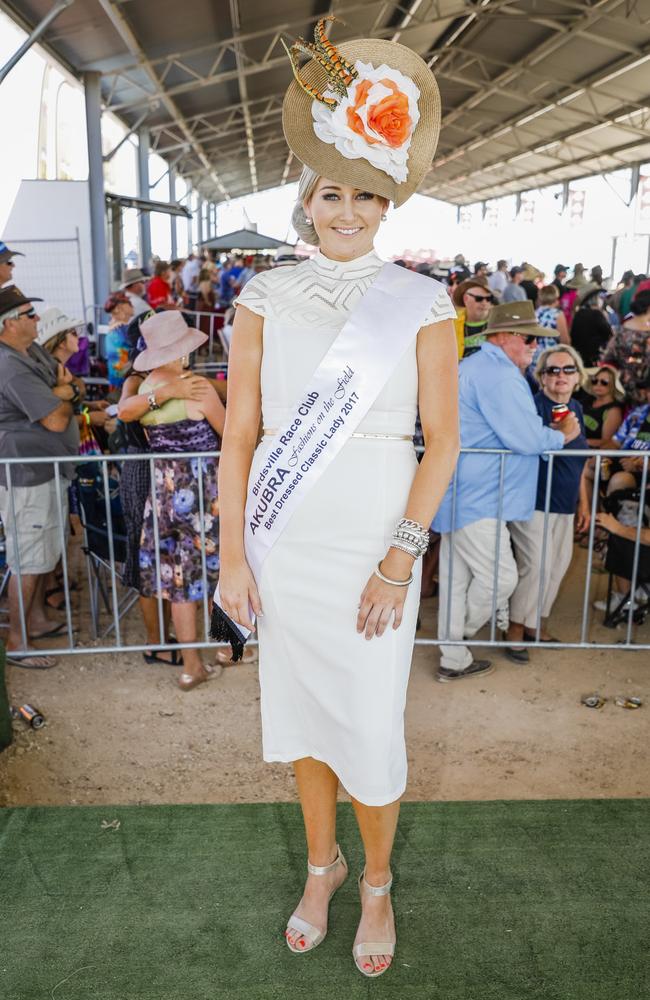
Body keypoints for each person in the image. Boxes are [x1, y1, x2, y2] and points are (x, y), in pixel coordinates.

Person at [217, 23, 459, 979]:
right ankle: (321, 868)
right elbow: (241, 437)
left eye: (365, 193)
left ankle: (377, 881)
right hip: (286, 545)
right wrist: (234, 555)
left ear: (386, 201)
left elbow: (440, 443)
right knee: (306, 721)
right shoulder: (261, 295)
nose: (347, 209)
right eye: (331, 193)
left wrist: (401, 559)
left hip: (371, 548)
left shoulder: (425, 302)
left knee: (367, 722)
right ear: (305, 201)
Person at [433, 301, 578, 681]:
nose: (534, 346)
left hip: (463, 488)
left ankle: (453, 656)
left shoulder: (477, 367)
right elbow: (525, 437)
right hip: (481, 493)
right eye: (530, 338)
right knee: (501, 577)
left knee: (456, 579)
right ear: (507, 337)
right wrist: (561, 436)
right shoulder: (498, 375)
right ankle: (462, 633)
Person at [119, 312, 226, 690]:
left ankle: (190, 666)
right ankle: (228, 649)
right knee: (219, 572)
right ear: (182, 349)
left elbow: (124, 412)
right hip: (205, 492)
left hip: (164, 493)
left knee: (179, 580)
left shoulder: (147, 387)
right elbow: (228, 433)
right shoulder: (196, 387)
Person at [0, 286, 79, 669]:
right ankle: (18, 642)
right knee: (27, 557)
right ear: (8, 324)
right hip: (25, 474)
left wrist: (64, 390)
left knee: (44, 549)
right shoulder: (9, 364)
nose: (36, 318)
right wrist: (63, 392)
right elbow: (55, 416)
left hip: (44, 467)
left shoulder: (29, 353)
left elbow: (71, 385)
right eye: (29, 313)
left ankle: (33, 619)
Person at [506, 345, 590, 658]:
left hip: (566, 504)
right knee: (536, 566)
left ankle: (535, 624)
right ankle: (514, 628)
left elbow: (580, 465)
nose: (561, 376)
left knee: (556, 568)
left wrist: (584, 503)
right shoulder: (532, 407)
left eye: (568, 369)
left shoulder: (578, 409)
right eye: (552, 370)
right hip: (534, 501)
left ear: (578, 376)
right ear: (541, 377)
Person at [602, 290, 650, 404]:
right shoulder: (647, 333)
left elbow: (608, 356)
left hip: (619, 385)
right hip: (643, 390)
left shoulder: (622, 329)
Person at [581, 364, 624, 447]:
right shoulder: (585, 402)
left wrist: (581, 442)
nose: (598, 384)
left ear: (612, 385)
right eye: (594, 381)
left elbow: (608, 443)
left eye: (604, 382)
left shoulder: (613, 410)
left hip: (592, 455)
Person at [570, 283, 612, 367]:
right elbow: (609, 333)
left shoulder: (579, 313)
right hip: (593, 359)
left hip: (579, 357)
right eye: (600, 297)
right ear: (595, 299)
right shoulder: (596, 314)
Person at [452, 276, 494, 357]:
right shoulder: (452, 322)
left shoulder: (499, 321)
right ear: (465, 299)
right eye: (479, 298)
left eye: (489, 298)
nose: (484, 303)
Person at [104, 291, 135, 390]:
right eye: (129, 303)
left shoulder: (114, 328)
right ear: (121, 307)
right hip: (126, 380)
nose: (132, 306)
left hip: (115, 380)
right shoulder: (123, 329)